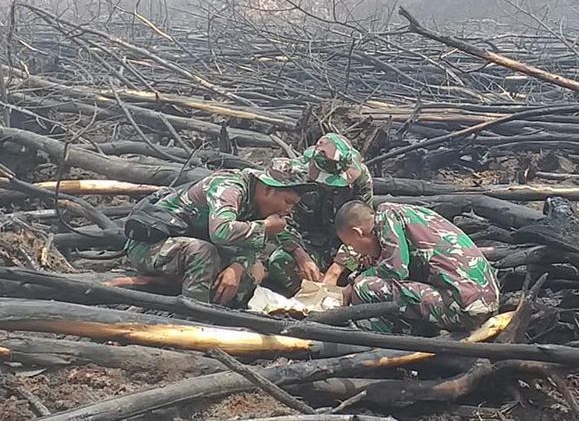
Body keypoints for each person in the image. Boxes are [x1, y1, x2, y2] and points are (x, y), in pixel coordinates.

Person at [124, 165, 309, 307]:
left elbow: (251, 245)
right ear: (268, 190)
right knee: (203, 252)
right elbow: (221, 231)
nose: (288, 210)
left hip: (187, 251)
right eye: (287, 202)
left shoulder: (257, 202)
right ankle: (194, 316)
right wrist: (266, 227)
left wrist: (237, 267)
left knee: (253, 272)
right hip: (151, 247)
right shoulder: (229, 187)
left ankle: (169, 287)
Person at [334, 200, 501, 335]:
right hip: (484, 300)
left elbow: (395, 270)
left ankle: (376, 339)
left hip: (465, 306)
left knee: (365, 287)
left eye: (351, 244)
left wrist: (356, 282)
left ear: (358, 232)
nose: (355, 250)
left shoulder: (387, 214)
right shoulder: (409, 216)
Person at [264, 133, 373, 297]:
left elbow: (363, 226)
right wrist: (300, 255)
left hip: (346, 242)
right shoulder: (294, 174)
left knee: (371, 272)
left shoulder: (360, 178)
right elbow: (281, 222)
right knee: (279, 261)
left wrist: (336, 269)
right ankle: (309, 294)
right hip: (307, 240)